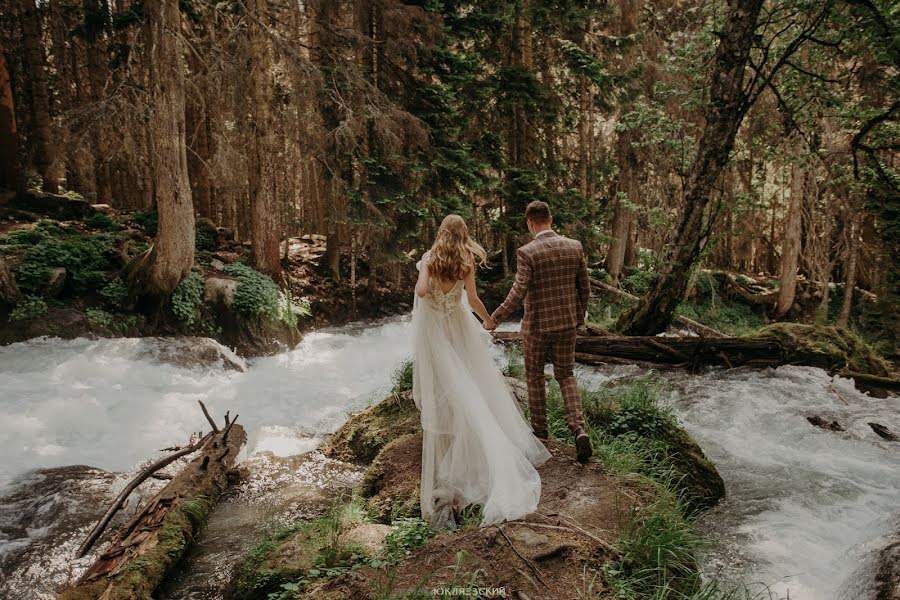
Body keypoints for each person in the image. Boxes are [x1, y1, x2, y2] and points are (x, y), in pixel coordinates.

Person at [411, 214, 551, 530]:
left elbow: (421, 293)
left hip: (435, 333)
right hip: (459, 329)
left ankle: (454, 441)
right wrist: (488, 321)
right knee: (468, 383)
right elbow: (472, 299)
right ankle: (473, 439)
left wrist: (423, 269)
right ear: (463, 236)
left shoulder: (430, 260)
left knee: (449, 385)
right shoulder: (466, 262)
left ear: (441, 233)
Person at [491, 200, 593, 463]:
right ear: (551, 219)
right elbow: (585, 289)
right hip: (567, 323)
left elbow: (518, 291)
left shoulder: (528, 252)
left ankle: (541, 434)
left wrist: (497, 316)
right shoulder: (574, 247)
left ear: (530, 223)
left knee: (534, 377)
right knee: (566, 375)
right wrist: (577, 317)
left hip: (536, 326)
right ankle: (579, 430)